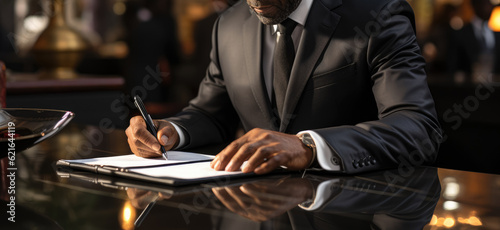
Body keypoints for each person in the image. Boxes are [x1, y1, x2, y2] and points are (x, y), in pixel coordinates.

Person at [126, 0, 441, 174]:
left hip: (345, 212)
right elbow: (211, 113)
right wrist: (171, 131)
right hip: (247, 212)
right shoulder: (229, 24)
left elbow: (418, 130)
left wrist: (309, 146)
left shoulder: (379, 15)